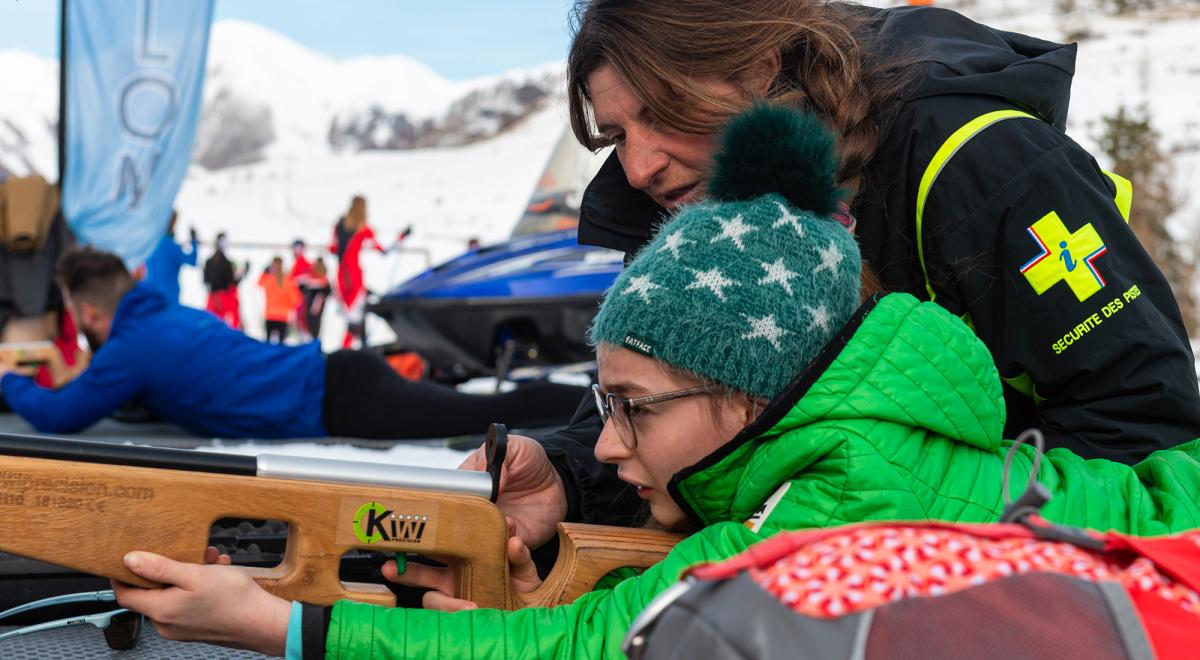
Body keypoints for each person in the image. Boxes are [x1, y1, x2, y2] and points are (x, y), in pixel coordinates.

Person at [109, 108, 1200, 657]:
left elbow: (589, 647)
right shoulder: (852, 445)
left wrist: (285, 627)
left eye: (632, 409)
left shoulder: (829, 503)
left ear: (752, 398)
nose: (606, 444)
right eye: (606, 404)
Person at [525, 0, 1200, 542]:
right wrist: (564, 475)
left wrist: (892, 528)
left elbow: (1146, 428)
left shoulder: (982, 163)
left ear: (760, 66)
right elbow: (656, 401)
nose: (639, 167)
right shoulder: (699, 201)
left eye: (663, 111)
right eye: (617, 136)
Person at [0, 246, 589, 439]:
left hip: (341, 398)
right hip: (339, 376)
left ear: (88, 311)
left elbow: (59, 416)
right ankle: (594, 404)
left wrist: (7, 379)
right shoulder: (171, 317)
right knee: (481, 411)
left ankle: (596, 408)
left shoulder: (131, 350)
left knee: (484, 414)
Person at [330, 196, 386, 349]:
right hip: (354, 275)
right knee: (357, 320)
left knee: (352, 319)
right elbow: (382, 250)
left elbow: (332, 248)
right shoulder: (364, 229)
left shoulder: (339, 224)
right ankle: (348, 351)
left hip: (341, 276)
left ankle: (347, 350)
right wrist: (402, 237)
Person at [142, 210, 198, 304]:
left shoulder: (149, 246)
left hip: (150, 298)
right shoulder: (173, 248)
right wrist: (194, 241)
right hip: (169, 299)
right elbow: (192, 261)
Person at [203, 232, 244, 330]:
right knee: (222, 327)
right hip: (224, 299)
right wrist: (242, 275)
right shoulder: (226, 263)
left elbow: (206, 280)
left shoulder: (209, 262)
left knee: (211, 326)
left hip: (212, 298)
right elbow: (232, 283)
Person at [258, 256, 301, 344]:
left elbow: (259, 283)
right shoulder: (288, 281)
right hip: (283, 315)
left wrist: (264, 272)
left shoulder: (269, 279)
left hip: (270, 314)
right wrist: (288, 307)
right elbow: (297, 300)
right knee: (281, 344)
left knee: (268, 343)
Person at [302, 258, 332, 342]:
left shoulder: (323, 280)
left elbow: (328, 292)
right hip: (310, 306)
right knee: (311, 323)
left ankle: (314, 341)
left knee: (315, 323)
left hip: (317, 306)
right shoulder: (310, 279)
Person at [289, 240, 313, 341]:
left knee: (304, 326)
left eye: (297, 248)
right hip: (297, 302)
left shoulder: (306, 264)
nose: (295, 251)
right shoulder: (295, 265)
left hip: (304, 301)